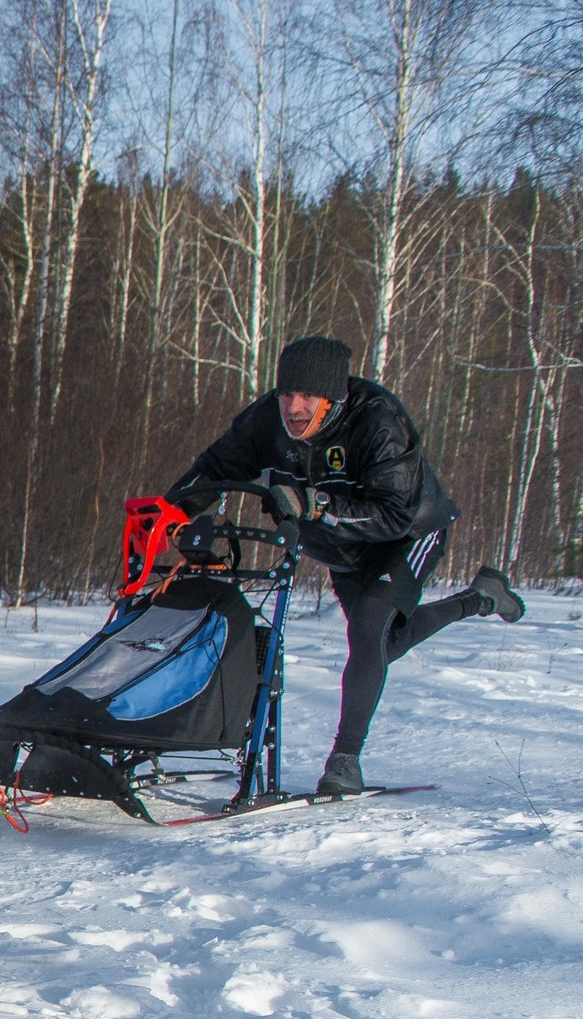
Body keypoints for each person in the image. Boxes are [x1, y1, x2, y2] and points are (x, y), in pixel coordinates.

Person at [171, 334, 523, 796]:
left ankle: (344, 761)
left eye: (307, 397)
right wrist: (169, 510)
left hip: (408, 533)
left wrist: (316, 504)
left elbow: (395, 512)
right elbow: (218, 464)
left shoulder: (379, 421)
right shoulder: (267, 419)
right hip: (343, 546)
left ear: (333, 398)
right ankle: (481, 597)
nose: (293, 407)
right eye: (286, 394)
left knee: (370, 631)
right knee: (383, 644)